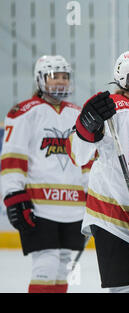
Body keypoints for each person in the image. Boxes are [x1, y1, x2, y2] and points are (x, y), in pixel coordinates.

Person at [65, 50, 129, 293]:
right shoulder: (110, 109)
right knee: (127, 289)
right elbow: (78, 154)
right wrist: (86, 126)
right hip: (112, 215)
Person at [0, 55, 88, 293]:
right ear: (39, 79)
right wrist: (13, 194)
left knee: (61, 267)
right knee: (46, 264)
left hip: (73, 207)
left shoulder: (78, 115)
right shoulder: (24, 112)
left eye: (64, 76)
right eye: (53, 77)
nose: (59, 82)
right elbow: (12, 157)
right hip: (39, 206)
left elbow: (87, 162)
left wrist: (93, 195)